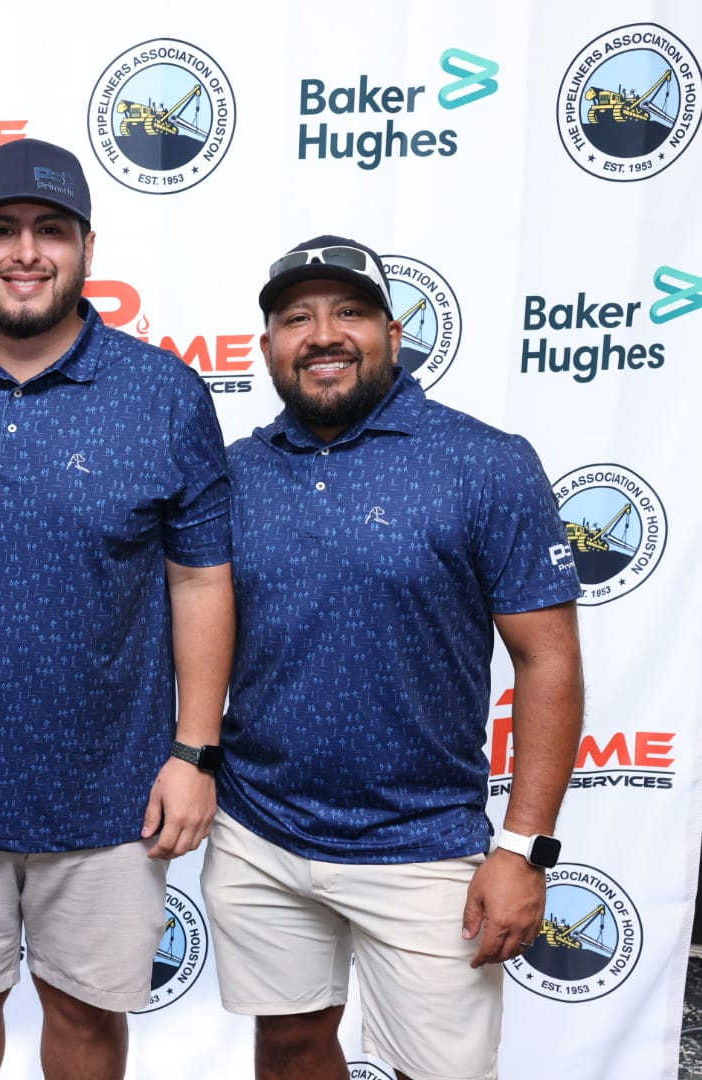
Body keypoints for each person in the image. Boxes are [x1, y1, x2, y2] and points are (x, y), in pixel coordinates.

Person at [0, 139, 236, 1080]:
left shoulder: (164, 394)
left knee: (87, 1020)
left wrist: (194, 753)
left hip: (112, 790)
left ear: (88, 247)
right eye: (2, 231)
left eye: (50, 230)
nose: (25, 252)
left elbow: (199, 580)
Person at [199, 236, 584, 1080]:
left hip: (425, 845)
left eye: (350, 312)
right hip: (260, 833)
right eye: (296, 318)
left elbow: (548, 659)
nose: (323, 335)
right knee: (289, 1045)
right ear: (267, 346)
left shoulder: (485, 462)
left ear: (394, 334)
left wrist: (525, 848)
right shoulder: (233, 475)